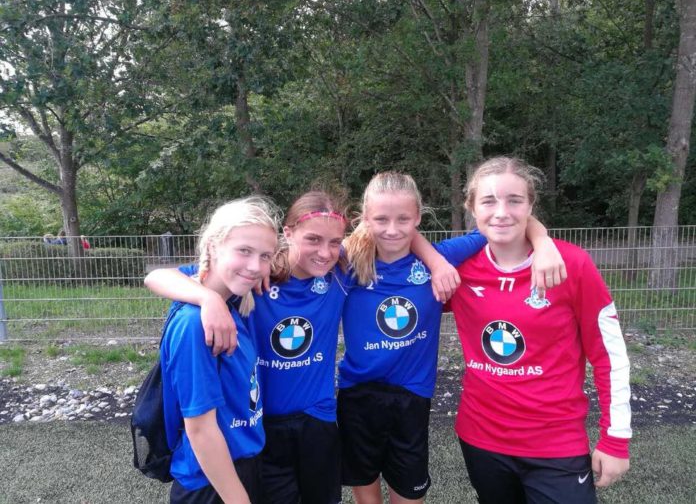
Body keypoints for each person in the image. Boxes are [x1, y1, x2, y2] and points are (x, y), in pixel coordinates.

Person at [146, 189, 465, 504]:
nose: (325, 252)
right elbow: (158, 276)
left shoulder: (340, 270)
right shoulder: (258, 274)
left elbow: (392, 230)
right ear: (288, 233)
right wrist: (208, 298)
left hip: (318, 419)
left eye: (334, 242)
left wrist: (436, 262)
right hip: (265, 425)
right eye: (313, 239)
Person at [336, 171, 565, 504]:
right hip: (357, 393)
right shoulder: (349, 265)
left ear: (418, 217)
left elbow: (501, 223)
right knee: (365, 484)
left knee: (408, 488)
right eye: (381, 219)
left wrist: (543, 243)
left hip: (412, 395)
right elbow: (304, 254)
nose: (392, 229)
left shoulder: (443, 257)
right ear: (366, 219)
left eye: (403, 219)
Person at [449, 157, 632, 504]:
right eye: (488, 201)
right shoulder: (457, 269)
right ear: (472, 208)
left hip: (556, 443)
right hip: (481, 439)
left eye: (514, 200)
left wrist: (616, 437)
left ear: (530, 206)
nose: (501, 212)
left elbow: (609, 355)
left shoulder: (571, 264)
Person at [159, 196, 280, 504]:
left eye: (265, 256)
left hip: (242, 464)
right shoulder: (194, 323)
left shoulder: (234, 302)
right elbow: (200, 430)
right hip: (211, 483)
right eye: (244, 251)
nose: (255, 267)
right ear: (213, 246)